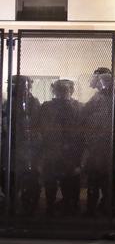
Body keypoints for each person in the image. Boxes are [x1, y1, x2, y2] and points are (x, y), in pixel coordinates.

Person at [40, 79, 83, 217]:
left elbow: (81, 129)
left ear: (71, 91)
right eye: (59, 90)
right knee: (51, 180)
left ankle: (71, 206)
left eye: (65, 90)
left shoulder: (78, 106)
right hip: (52, 149)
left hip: (71, 150)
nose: (63, 93)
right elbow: (42, 126)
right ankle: (51, 207)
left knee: (71, 180)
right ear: (55, 91)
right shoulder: (47, 107)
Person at [80, 68, 115, 217]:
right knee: (95, 177)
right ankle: (95, 208)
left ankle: (107, 208)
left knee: (106, 178)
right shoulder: (98, 98)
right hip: (96, 144)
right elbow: (84, 114)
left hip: (108, 144)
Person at [8, 75, 41, 216]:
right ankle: (12, 205)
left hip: (29, 145)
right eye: (14, 85)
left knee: (30, 177)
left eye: (20, 85)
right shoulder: (9, 101)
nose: (16, 88)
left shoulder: (32, 102)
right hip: (11, 145)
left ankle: (29, 207)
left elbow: (36, 123)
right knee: (11, 176)